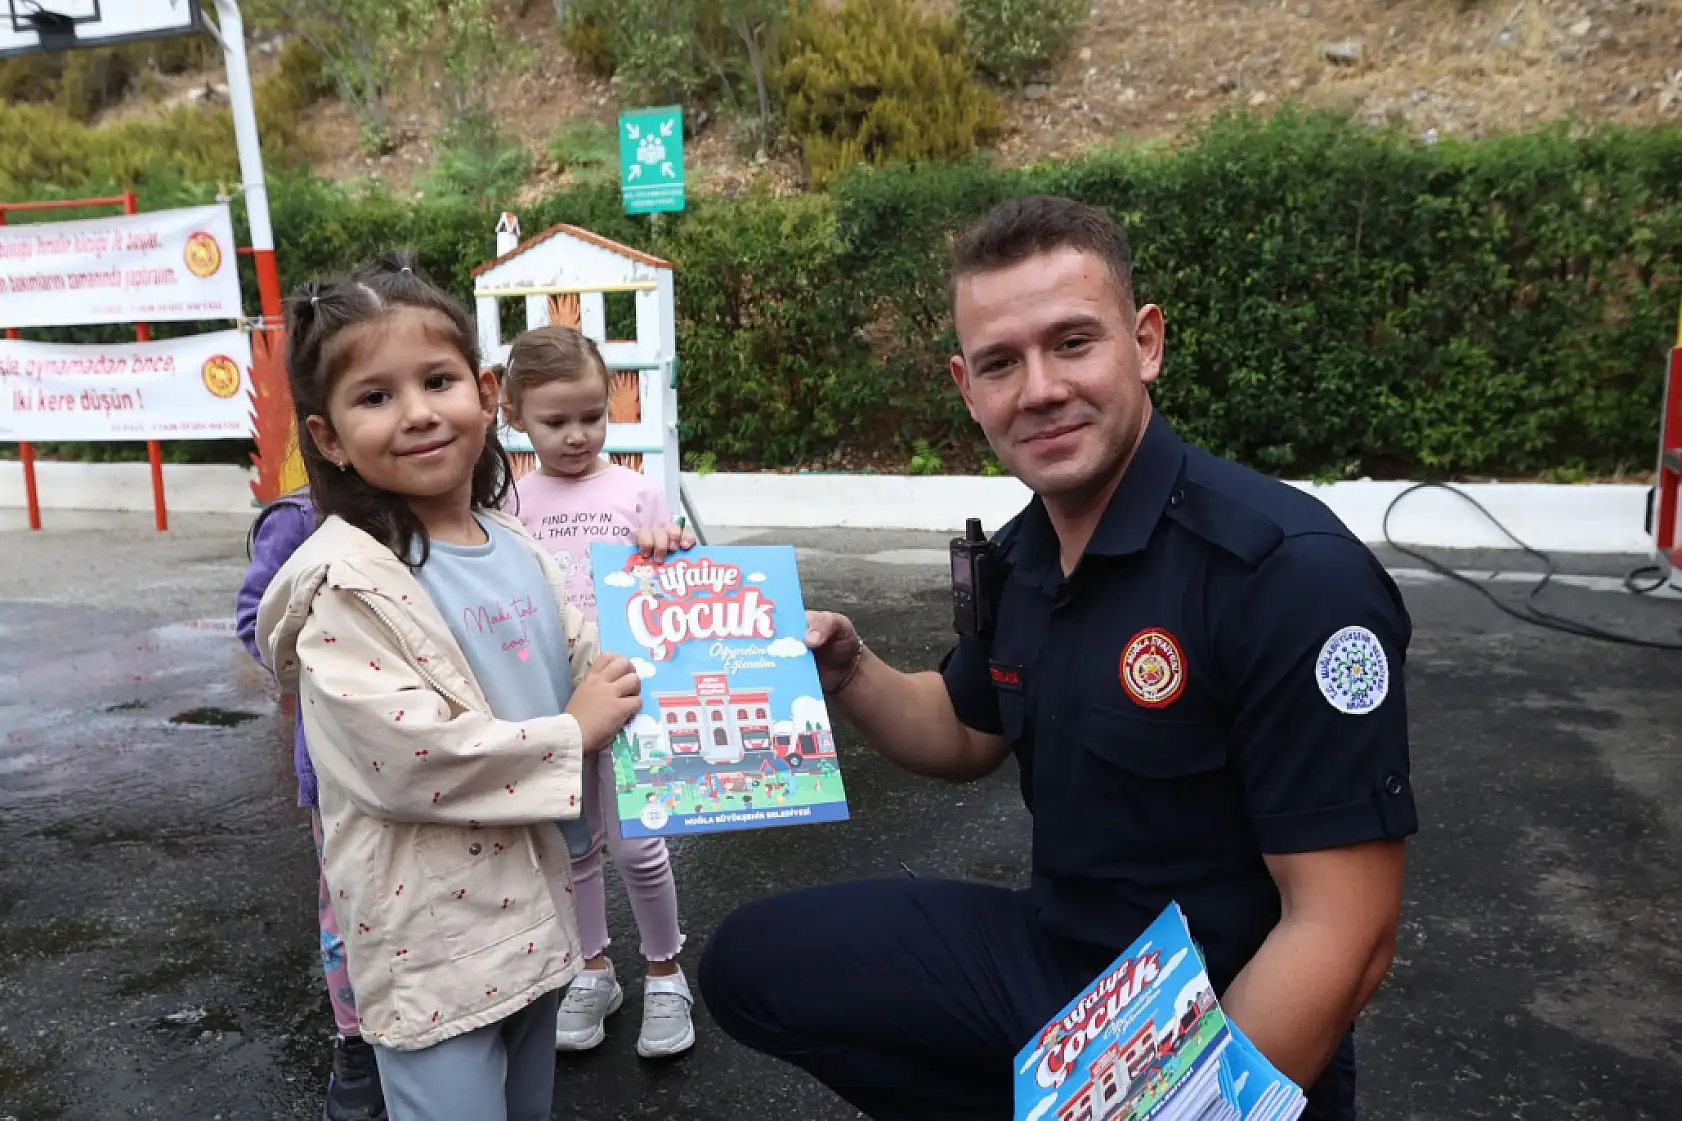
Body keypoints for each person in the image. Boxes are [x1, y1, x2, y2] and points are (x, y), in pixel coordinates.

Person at [697, 195, 1418, 1121]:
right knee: (754, 964)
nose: (1038, 388)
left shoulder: (1285, 574)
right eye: (1001, 362)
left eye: (1072, 342)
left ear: (1145, 342)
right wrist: (850, 671)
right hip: (1065, 968)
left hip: (1227, 1019)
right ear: (967, 386)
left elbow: (1343, 933)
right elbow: (965, 729)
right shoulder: (1023, 552)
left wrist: (1179, 1106)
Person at [251, 252, 644, 1121]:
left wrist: (676, 616)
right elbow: (406, 758)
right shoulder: (345, 585)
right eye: (375, 396)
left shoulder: (512, 543)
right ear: (327, 437)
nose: (419, 413)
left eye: (437, 379)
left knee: (529, 1106)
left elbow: (587, 660)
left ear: (485, 389)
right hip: (433, 942)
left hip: (535, 912)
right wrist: (573, 734)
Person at [499, 323, 699, 1058]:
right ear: (514, 415)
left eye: (592, 416)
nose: (578, 435)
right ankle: (591, 969)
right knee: (573, 847)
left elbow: (678, 582)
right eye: (556, 421)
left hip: (631, 695)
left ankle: (665, 971)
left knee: (641, 848)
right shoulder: (510, 504)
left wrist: (671, 549)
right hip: (553, 704)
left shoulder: (638, 491)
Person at [236, 487, 387, 1121]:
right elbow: (257, 620)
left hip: (443, 756)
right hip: (339, 768)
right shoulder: (300, 520)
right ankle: (356, 1040)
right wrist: (343, 658)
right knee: (346, 907)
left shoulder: (446, 506)